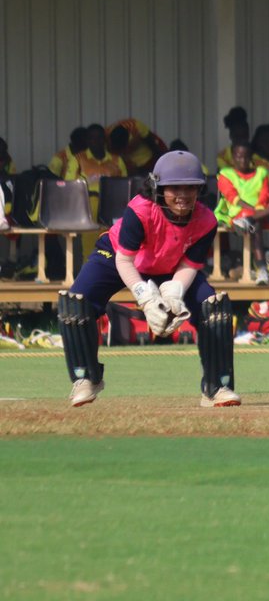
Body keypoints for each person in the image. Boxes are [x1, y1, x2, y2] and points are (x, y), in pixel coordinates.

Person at [61, 150, 240, 408]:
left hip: (170, 263)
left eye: (190, 188)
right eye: (174, 187)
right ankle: (86, 379)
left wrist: (175, 291)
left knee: (214, 306)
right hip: (118, 256)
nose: (182, 195)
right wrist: (145, 298)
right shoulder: (140, 210)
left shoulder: (206, 220)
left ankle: (217, 387)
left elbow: (189, 264)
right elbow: (125, 260)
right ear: (158, 187)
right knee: (77, 301)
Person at [214, 140, 269, 285]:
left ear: (251, 158)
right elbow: (233, 198)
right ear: (233, 158)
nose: (242, 160)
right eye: (238, 156)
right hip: (236, 216)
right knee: (255, 225)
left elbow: (264, 198)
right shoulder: (225, 174)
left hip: (260, 213)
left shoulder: (261, 173)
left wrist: (253, 213)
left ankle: (250, 220)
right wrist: (251, 212)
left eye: (245, 156)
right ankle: (263, 270)